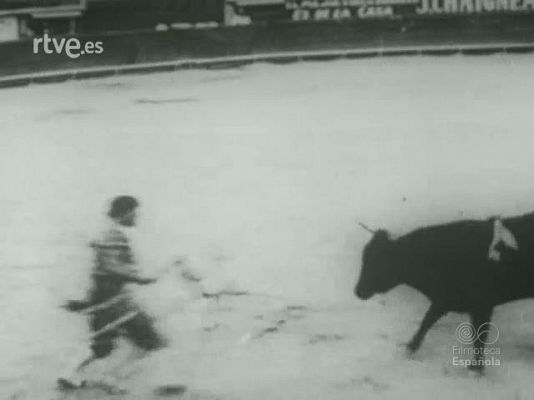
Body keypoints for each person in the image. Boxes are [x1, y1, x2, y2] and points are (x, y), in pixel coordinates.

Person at [58, 195, 166, 389]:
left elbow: (104, 267)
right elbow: (111, 267)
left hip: (104, 299)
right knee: (151, 342)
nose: (136, 217)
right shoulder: (113, 235)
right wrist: (142, 278)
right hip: (113, 301)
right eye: (134, 213)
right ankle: (111, 378)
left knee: (103, 347)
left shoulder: (107, 233)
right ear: (125, 213)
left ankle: (73, 376)